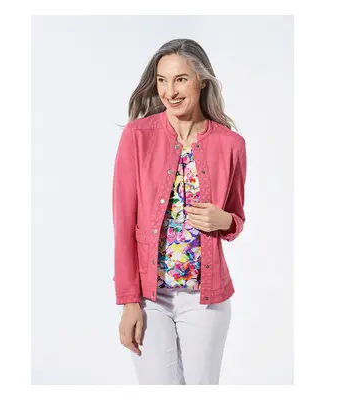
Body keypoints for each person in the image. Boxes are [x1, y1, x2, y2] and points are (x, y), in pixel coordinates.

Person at [112, 38, 247, 385]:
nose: (169, 91)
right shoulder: (137, 136)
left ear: (201, 80)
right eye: (162, 80)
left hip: (206, 299)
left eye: (180, 79)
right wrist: (128, 301)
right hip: (150, 297)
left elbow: (236, 218)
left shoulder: (231, 144)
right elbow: (123, 224)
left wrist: (225, 220)